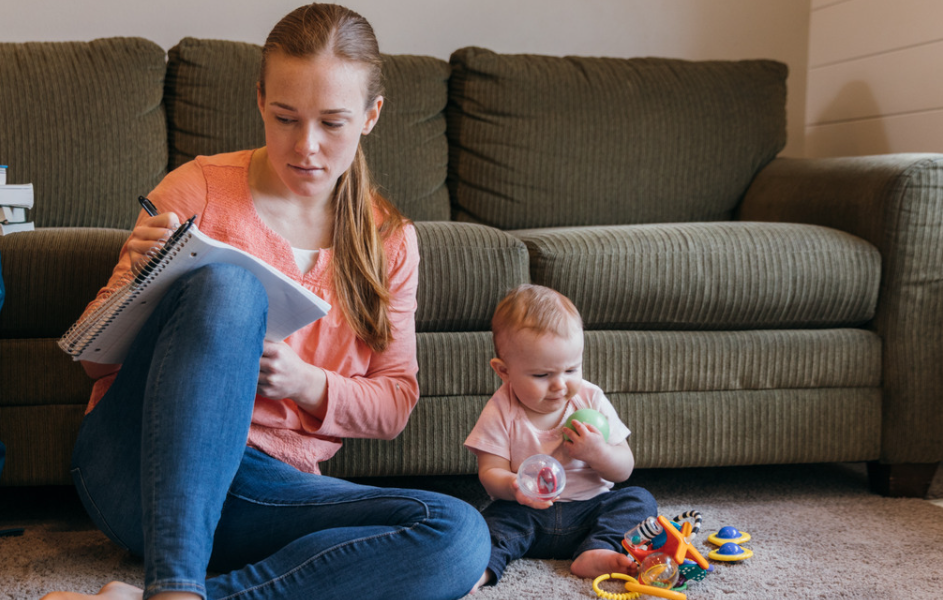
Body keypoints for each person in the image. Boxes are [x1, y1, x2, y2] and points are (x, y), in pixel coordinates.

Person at [43, 5, 489, 600]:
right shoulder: (194, 190)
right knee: (229, 287)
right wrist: (142, 284)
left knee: (457, 533)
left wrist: (306, 383)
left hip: (266, 491)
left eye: (333, 123)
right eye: (285, 118)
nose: (306, 147)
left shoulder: (389, 240)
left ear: (370, 116)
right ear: (259, 100)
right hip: (137, 473)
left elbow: (395, 403)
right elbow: (95, 364)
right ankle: (174, 586)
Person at [463, 284, 657, 590]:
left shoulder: (590, 399)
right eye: (542, 375)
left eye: (571, 369)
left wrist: (599, 453)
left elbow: (624, 468)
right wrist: (513, 486)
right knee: (485, 524)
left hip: (592, 509)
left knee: (638, 500)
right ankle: (480, 571)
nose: (560, 385)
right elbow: (489, 473)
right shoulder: (501, 409)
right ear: (504, 371)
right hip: (527, 514)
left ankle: (597, 549)